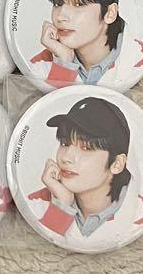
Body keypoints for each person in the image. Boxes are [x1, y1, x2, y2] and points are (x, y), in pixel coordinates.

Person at [26, 95, 132, 239]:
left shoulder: (139, 209)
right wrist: (62, 204)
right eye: (65, 143)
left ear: (117, 163)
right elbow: (43, 248)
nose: (66, 158)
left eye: (86, 148)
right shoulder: (36, 202)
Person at [31, 0, 126, 87]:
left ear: (110, 13)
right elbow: (53, 100)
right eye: (57, 3)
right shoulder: (40, 64)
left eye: (78, 4)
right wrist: (64, 63)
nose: (60, 17)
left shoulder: (137, 56)